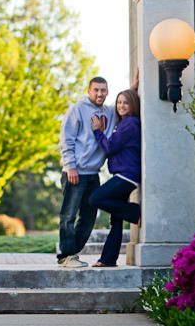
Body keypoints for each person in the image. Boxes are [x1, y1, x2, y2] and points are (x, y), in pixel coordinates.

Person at [56, 76, 116, 269]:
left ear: (107, 92)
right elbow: (67, 139)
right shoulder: (77, 109)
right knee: (69, 215)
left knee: (89, 217)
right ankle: (66, 256)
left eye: (103, 90)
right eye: (96, 90)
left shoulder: (109, 112)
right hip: (75, 172)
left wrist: (134, 87)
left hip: (93, 174)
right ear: (89, 91)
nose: (99, 93)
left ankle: (71, 253)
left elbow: (124, 103)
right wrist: (71, 166)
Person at [86, 88, 142, 268]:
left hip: (127, 175)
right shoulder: (125, 123)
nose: (121, 106)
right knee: (116, 219)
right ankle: (108, 259)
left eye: (126, 102)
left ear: (133, 105)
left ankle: (134, 212)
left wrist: (97, 131)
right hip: (124, 174)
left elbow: (109, 147)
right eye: (119, 102)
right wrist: (133, 86)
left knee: (95, 198)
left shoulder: (130, 123)